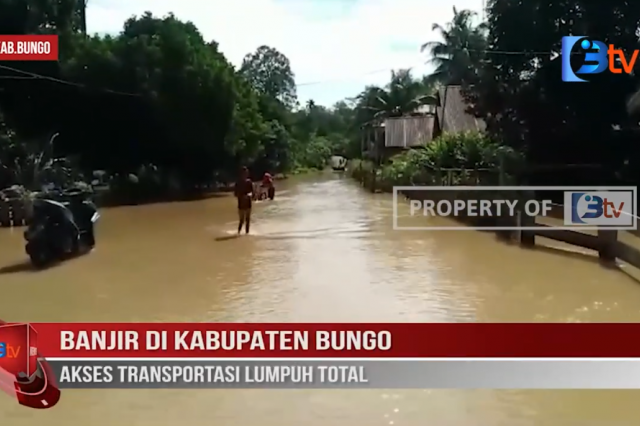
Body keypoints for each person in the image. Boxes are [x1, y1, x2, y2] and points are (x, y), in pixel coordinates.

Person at [234, 166, 253, 234]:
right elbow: (235, 194)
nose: (245, 174)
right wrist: (242, 196)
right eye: (244, 173)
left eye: (246, 173)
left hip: (248, 203)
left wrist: (248, 195)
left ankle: (247, 233)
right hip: (241, 203)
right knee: (241, 220)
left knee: (248, 220)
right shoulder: (238, 183)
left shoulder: (249, 182)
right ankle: (238, 233)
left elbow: (252, 192)